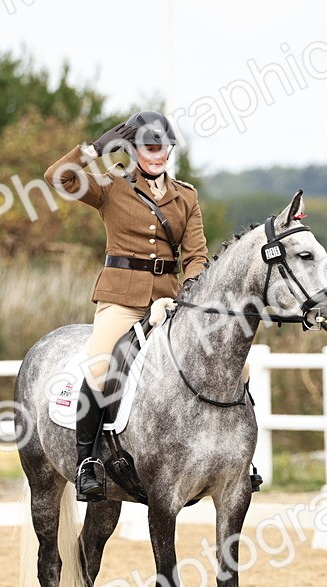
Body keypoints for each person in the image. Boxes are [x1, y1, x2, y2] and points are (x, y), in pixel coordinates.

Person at [44, 111, 208, 501]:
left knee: (229, 363)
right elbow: (58, 178)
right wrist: (92, 151)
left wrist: (189, 294)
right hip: (121, 299)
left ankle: (235, 459)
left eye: (164, 148)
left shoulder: (186, 196)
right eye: (150, 147)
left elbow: (196, 256)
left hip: (169, 299)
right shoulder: (110, 187)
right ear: (134, 150)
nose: (158, 154)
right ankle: (87, 462)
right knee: (102, 369)